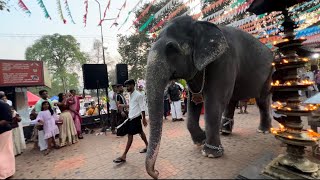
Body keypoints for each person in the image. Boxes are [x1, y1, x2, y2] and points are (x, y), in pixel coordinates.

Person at [113, 79, 148, 163]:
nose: (127, 88)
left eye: (128, 86)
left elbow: (142, 107)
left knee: (130, 136)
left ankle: (124, 155)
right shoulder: (130, 94)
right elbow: (132, 105)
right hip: (131, 117)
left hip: (135, 118)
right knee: (141, 132)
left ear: (133, 85)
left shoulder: (138, 95)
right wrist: (123, 105)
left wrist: (143, 119)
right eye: (126, 86)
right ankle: (148, 146)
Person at [0, 100, 15, 179]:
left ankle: (5, 173)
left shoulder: (3, 105)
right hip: (4, 131)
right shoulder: (4, 104)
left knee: (5, 152)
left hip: (3, 132)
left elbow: (8, 119)